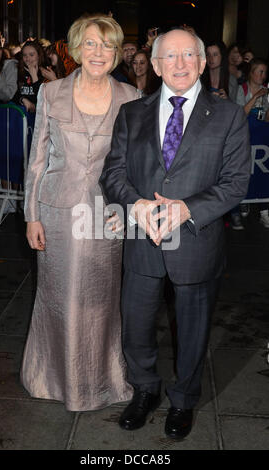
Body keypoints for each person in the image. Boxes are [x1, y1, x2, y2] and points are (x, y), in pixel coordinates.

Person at [100, 28, 251, 440]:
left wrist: (187, 208)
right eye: (170, 56)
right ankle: (145, 389)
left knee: (193, 329)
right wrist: (135, 204)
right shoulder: (132, 113)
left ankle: (183, 398)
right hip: (143, 240)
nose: (180, 64)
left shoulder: (229, 116)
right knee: (136, 325)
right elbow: (112, 174)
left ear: (203, 63)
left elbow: (237, 182)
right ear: (155, 64)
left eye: (189, 55)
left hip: (196, 243)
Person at [20, 13, 140, 412]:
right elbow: (36, 160)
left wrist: (127, 212)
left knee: (100, 300)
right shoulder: (51, 94)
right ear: (76, 48)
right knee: (57, 297)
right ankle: (51, 378)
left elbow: (136, 167)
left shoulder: (131, 97)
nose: (98, 52)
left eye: (107, 45)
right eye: (90, 43)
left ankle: (100, 378)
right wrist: (30, 215)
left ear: (116, 52)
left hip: (105, 216)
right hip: (55, 213)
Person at [235, 58, 269, 229]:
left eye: (265, 72)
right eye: (260, 71)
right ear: (251, 72)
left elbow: (267, 119)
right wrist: (256, 97)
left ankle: (264, 210)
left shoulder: (267, 92)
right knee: (244, 169)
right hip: (244, 136)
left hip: (261, 139)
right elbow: (241, 114)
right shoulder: (242, 89)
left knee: (262, 171)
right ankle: (243, 201)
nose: (263, 76)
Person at [14, 40, 45, 113]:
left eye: (31, 55)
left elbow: (42, 99)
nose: (27, 58)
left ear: (39, 55)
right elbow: (12, 95)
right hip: (23, 117)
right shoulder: (19, 71)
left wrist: (34, 77)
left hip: (39, 119)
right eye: (25, 55)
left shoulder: (46, 72)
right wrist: (23, 99)